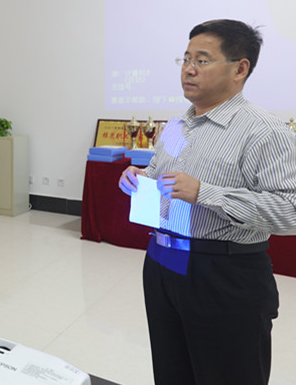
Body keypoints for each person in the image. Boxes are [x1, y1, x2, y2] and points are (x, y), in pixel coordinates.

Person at [118, 19, 296, 385]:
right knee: (171, 372)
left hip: (224, 274)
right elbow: (159, 173)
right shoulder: (176, 125)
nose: (188, 69)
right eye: (185, 59)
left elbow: (290, 211)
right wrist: (139, 178)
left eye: (202, 60)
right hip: (162, 264)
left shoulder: (264, 131)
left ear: (240, 69)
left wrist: (206, 193)